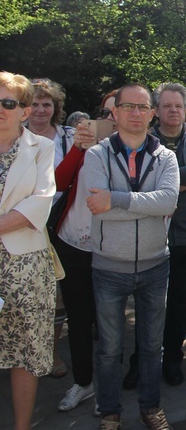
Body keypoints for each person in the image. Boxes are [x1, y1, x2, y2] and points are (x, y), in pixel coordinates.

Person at [83, 83, 180, 430]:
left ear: (152, 113)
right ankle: (109, 411)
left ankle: (150, 407)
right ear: (115, 112)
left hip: (156, 265)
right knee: (109, 349)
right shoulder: (96, 155)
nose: (136, 113)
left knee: (152, 346)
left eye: (142, 107)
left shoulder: (166, 156)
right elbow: (97, 208)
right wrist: (143, 205)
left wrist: (118, 199)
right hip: (108, 267)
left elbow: (169, 202)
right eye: (129, 107)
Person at [128, 83, 186, 388]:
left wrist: (161, 185)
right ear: (156, 110)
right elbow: (136, 180)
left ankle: (173, 359)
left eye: (178, 106)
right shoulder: (144, 139)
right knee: (148, 302)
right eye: (166, 106)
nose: (173, 111)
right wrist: (176, 180)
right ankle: (141, 361)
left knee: (179, 303)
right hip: (150, 231)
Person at [0, 72, 56, 430]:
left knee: (25, 352)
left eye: (8, 103)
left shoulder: (42, 148)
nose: (0, 110)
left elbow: (40, 203)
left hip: (26, 268)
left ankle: (21, 427)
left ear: (23, 111)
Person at [29, 78, 76, 377]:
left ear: (55, 108)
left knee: (58, 295)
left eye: (46, 104)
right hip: (23, 225)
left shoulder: (66, 138)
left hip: (59, 223)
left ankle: (52, 353)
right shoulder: (12, 137)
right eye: (34, 103)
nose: (40, 109)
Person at [51, 121, 99, 413]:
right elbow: (57, 182)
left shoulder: (127, 149)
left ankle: (105, 386)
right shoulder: (80, 147)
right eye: (105, 112)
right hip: (71, 245)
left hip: (107, 249)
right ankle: (83, 382)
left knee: (109, 322)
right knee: (79, 319)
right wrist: (78, 149)